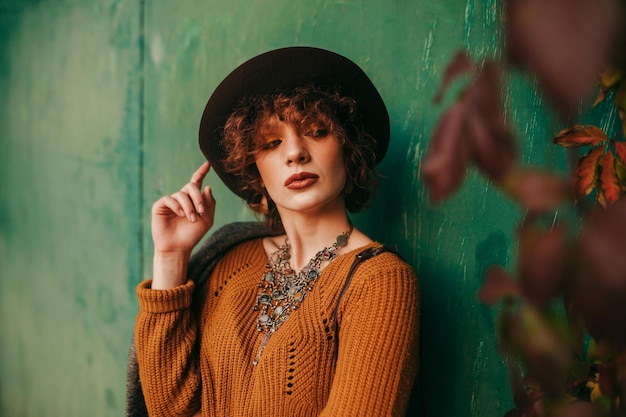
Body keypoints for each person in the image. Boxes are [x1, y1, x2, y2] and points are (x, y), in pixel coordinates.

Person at [128, 46, 420, 417]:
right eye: (272, 142)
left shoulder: (380, 282)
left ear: (349, 149)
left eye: (317, 131)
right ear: (254, 168)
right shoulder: (232, 260)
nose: (295, 152)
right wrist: (171, 258)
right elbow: (171, 409)